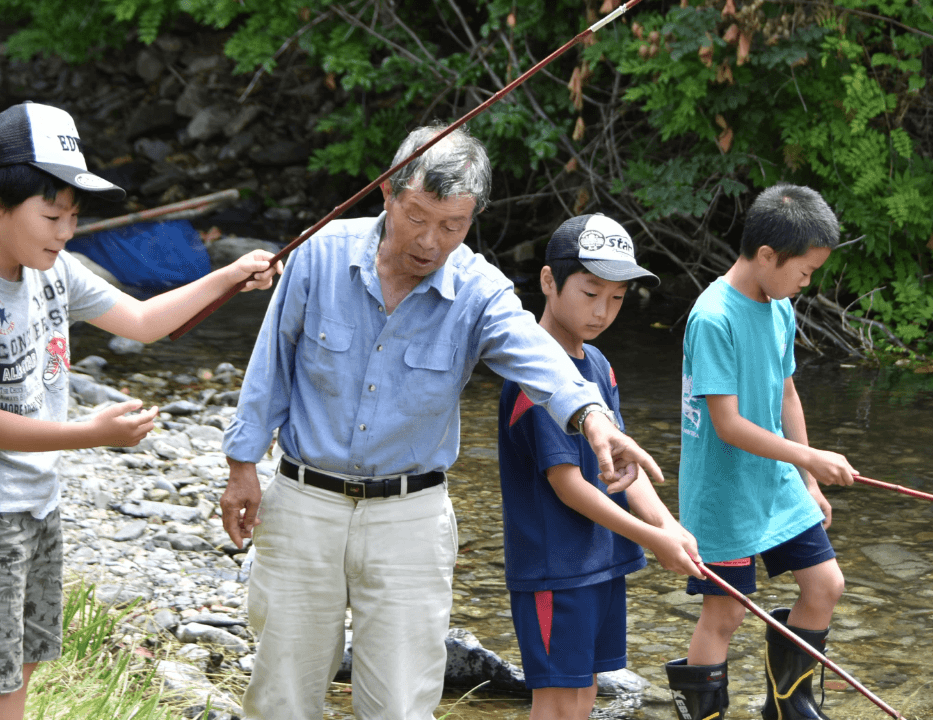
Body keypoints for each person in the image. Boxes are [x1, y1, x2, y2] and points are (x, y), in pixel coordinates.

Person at [219, 124, 668, 720]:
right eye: (418, 217)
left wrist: (591, 417)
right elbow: (269, 366)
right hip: (305, 501)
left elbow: (535, 354)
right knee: (282, 694)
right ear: (388, 193)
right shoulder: (318, 255)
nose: (430, 241)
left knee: (403, 703)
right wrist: (241, 465)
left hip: (410, 516)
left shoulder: (480, 291)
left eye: (452, 226)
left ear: (471, 220)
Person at [0, 101, 281, 720]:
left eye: (72, 216)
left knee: (24, 664)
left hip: (37, 500)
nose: (65, 232)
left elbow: (143, 322)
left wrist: (228, 276)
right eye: (51, 216)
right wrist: (90, 433)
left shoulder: (54, 269)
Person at [497, 214, 703, 720]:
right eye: (590, 293)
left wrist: (669, 525)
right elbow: (569, 487)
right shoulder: (536, 378)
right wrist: (653, 540)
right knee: (558, 701)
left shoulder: (599, 365)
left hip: (600, 564)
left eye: (616, 298)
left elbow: (624, 472)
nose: (603, 310)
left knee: (584, 696)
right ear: (548, 281)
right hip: (555, 569)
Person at [665, 183, 857, 720]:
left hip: (778, 483)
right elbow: (727, 424)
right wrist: (812, 458)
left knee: (825, 585)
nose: (807, 282)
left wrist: (809, 479)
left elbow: (787, 393)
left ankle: (788, 704)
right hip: (723, 492)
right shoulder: (713, 317)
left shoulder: (779, 307)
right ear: (767, 255)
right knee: (724, 615)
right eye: (805, 270)